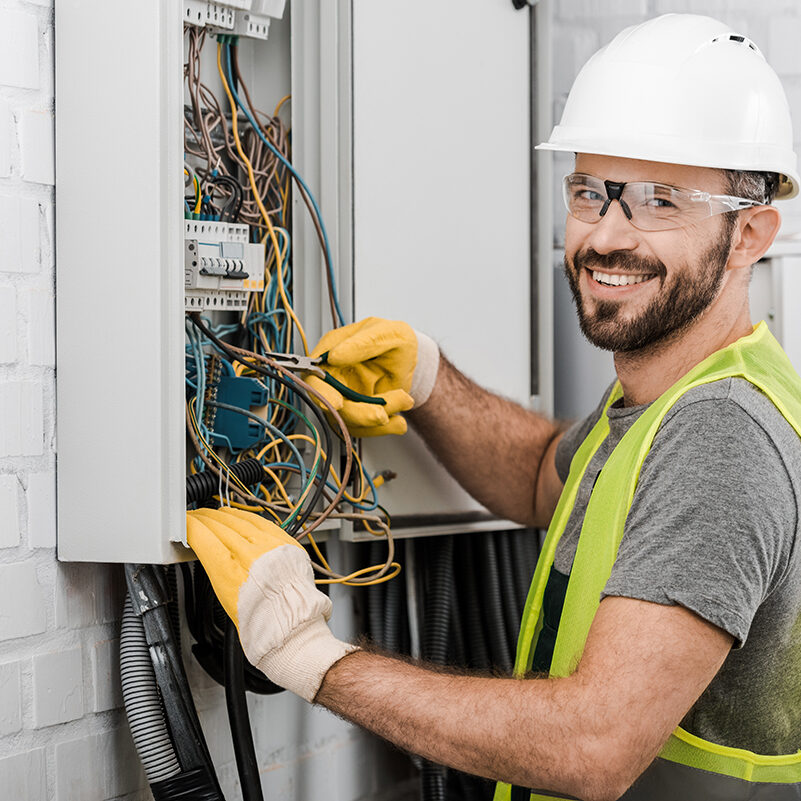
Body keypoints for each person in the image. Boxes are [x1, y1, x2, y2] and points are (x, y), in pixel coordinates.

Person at [186, 14, 801, 801]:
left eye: (657, 202)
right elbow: (546, 478)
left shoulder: (719, 435)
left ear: (749, 233)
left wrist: (316, 660)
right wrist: (430, 378)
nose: (606, 235)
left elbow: (592, 745)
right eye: (590, 191)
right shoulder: (661, 401)